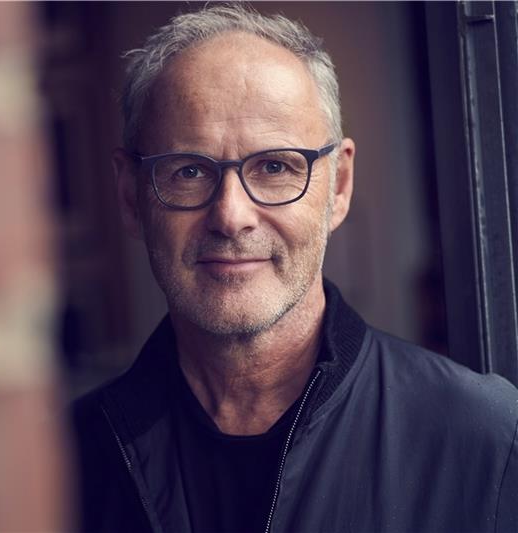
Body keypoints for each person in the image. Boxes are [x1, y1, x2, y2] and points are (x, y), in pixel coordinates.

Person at [70, 4, 518, 533]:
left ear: (339, 185)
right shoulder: (63, 463)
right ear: (130, 195)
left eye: (276, 166)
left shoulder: (485, 438)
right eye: (189, 170)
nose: (231, 216)